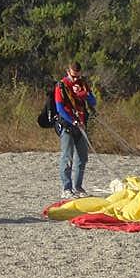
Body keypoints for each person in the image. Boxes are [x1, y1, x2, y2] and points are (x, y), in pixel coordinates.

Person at [54, 61, 96, 199]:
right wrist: (73, 121)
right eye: (73, 76)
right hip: (68, 126)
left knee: (82, 158)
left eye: (78, 76)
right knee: (67, 158)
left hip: (82, 126)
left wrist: (85, 95)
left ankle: (78, 187)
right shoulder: (61, 86)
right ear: (68, 72)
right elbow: (60, 108)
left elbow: (93, 102)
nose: (76, 78)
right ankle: (66, 188)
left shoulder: (83, 84)